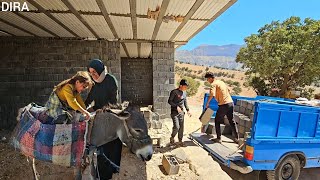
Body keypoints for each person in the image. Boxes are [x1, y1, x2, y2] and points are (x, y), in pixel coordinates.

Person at [85, 59, 121, 180]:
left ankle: (110, 170)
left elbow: (113, 101)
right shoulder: (95, 83)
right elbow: (90, 98)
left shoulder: (111, 80)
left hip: (110, 113)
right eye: (90, 72)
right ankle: (101, 172)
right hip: (99, 114)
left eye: (94, 71)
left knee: (111, 145)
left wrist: (103, 110)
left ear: (100, 70)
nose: (93, 74)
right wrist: (82, 109)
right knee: (100, 146)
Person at [204, 72, 239, 143]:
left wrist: (207, 103)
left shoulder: (213, 84)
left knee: (217, 120)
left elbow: (212, 94)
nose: (208, 81)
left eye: (208, 79)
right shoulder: (221, 82)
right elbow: (228, 90)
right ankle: (237, 138)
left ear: (210, 78)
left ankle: (219, 138)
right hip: (230, 103)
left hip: (224, 105)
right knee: (231, 121)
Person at [168, 79, 192, 146]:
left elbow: (185, 102)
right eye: (185, 86)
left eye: (187, 86)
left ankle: (180, 140)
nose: (186, 88)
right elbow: (169, 101)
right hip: (174, 112)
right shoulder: (174, 92)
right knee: (176, 127)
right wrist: (176, 106)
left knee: (181, 127)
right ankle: (172, 137)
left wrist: (188, 110)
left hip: (181, 113)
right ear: (181, 85)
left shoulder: (184, 93)